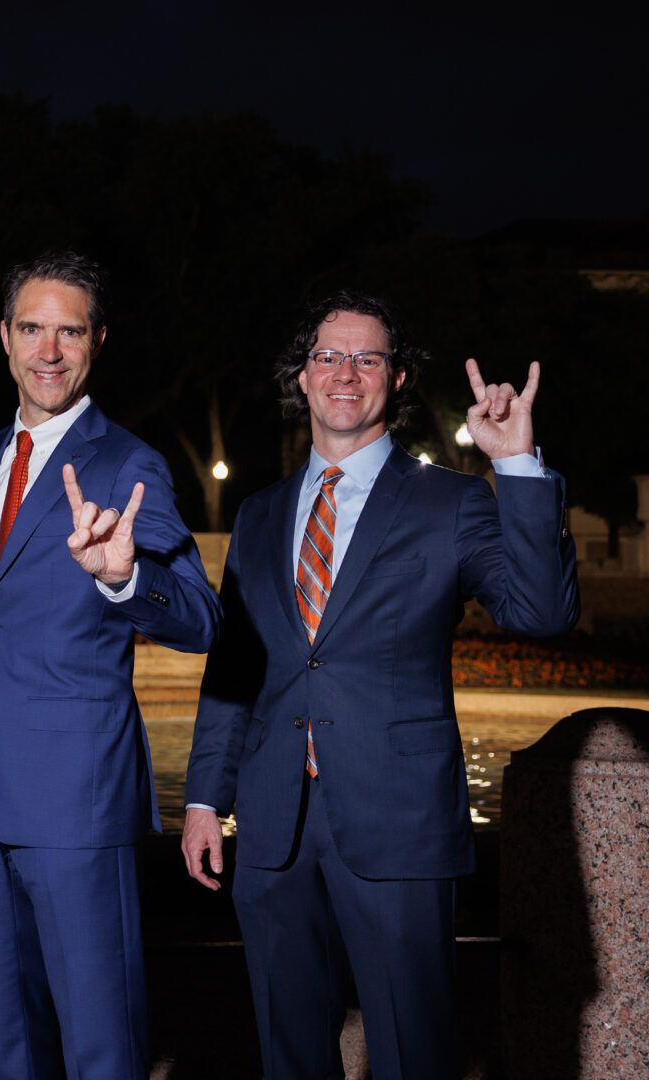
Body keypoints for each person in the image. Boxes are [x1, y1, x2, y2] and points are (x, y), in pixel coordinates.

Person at [181, 292, 578, 1079]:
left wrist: (516, 465)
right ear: (303, 374)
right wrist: (203, 798)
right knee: (287, 1051)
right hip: (271, 827)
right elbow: (235, 666)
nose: (345, 373)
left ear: (396, 380)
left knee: (412, 1050)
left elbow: (542, 611)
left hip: (399, 823)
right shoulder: (260, 514)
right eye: (329, 355)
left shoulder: (455, 502)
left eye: (368, 358)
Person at [0, 252, 220, 1079]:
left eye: (69, 331)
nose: (49, 351)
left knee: (101, 1041)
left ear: (97, 341)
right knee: (7, 1038)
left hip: (76, 795)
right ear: (4, 338)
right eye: (32, 328)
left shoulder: (129, 463)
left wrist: (125, 579)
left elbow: (203, 620)